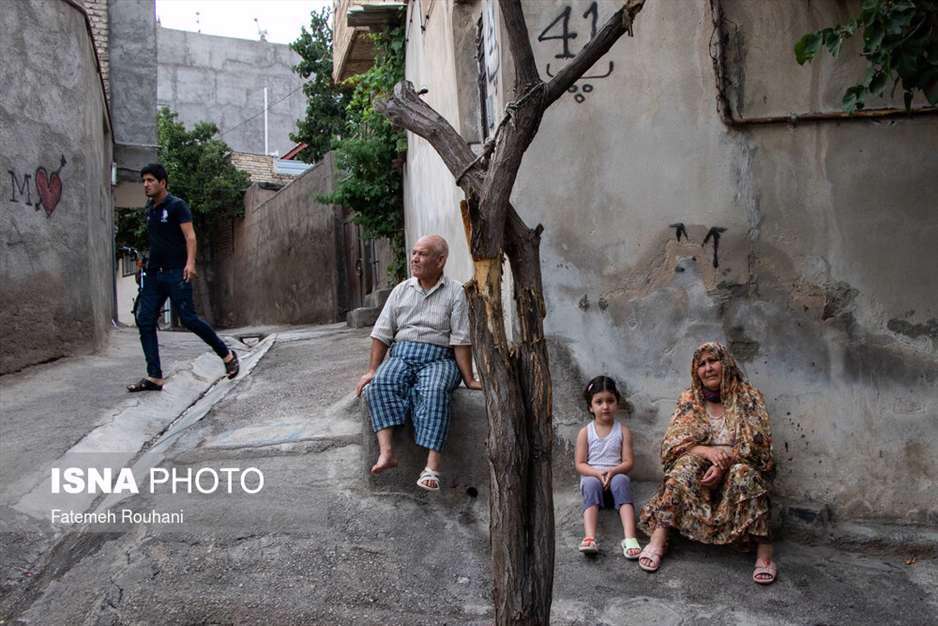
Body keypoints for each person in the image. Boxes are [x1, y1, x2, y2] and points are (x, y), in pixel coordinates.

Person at [638, 342, 777, 584]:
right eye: (701, 364)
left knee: (744, 474)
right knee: (681, 470)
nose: (708, 368)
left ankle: (765, 552)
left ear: (726, 363)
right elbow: (673, 443)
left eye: (713, 361)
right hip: (702, 471)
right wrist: (708, 453)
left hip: (737, 466)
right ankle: (659, 539)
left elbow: (759, 447)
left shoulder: (748, 397)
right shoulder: (690, 399)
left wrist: (724, 461)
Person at [355, 234, 481, 491]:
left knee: (433, 391)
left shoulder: (455, 292)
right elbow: (382, 333)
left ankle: (432, 467)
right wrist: (371, 370)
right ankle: (387, 453)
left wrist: (468, 378)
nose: (415, 258)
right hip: (401, 355)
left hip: (439, 358)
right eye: (414, 253)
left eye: (422, 254)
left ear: (440, 260)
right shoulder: (401, 290)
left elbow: (460, 339)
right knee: (380, 385)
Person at [126, 163, 238, 392]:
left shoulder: (177, 206)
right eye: (144, 181)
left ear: (163, 182)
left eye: (150, 180)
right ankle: (154, 376)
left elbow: (190, 236)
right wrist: (144, 267)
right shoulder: (151, 210)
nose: (146, 185)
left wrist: (190, 263)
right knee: (145, 319)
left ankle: (226, 355)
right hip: (154, 275)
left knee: (188, 318)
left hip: (177, 272)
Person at [575, 376, 642, 559]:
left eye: (610, 401)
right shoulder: (585, 433)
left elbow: (628, 462)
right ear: (590, 407)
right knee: (589, 484)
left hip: (615, 476)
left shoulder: (623, 431)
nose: (605, 406)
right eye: (599, 402)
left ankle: (629, 538)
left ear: (617, 403)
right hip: (593, 477)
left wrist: (613, 472)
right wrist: (597, 473)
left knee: (621, 481)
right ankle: (589, 537)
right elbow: (580, 464)